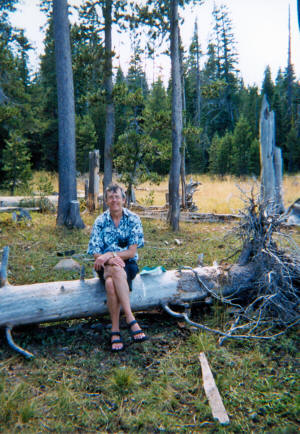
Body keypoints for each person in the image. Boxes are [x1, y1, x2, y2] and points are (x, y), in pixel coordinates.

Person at [87, 183, 147, 352]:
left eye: (117, 197)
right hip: (103, 265)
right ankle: (130, 318)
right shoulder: (100, 221)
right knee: (112, 272)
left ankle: (115, 330)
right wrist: (108, 259)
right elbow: (96, 254)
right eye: (111, 197)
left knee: (111, 281)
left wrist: (111, 255)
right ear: (106, 201)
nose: (114, 200)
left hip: (128, 264)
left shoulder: (133, 219)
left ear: (124, 199)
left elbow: (131, 251)